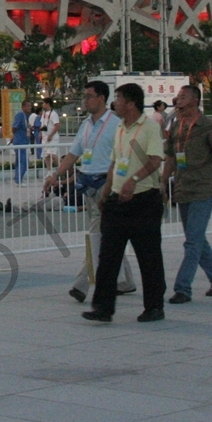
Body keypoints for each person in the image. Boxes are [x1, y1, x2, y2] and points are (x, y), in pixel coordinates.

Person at [82, 82, 167, 324]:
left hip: (144, 201)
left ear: (130, 103)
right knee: (108, 257)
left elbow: (155, 159)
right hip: (116, 202)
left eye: (118, 98)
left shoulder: (149, 127)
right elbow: (115, 161)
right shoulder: (120, 127)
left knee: (148, 257)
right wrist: (107, 191)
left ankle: (154, 306)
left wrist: (134, 180)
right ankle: (103, 307)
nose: (114, 103)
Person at [44, 79, 134, 303]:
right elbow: (74, 155)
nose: (85, 100)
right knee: (109, 234)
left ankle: (81, 284)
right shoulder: (85, 126)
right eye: (83, 96)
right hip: (88, 185)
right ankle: (125, 281)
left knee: (97, 234)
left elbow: (126, 155)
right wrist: (55, 176)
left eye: (88, 96)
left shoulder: (116, 124)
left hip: (108, 184)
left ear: (102, 98)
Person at [164, 83, 212, 303]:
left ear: (195, 100)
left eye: (183, 97)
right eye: (177, 97)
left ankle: (183, 288)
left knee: (192, 242)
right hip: (183, 187)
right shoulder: (176, 126)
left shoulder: (208, 126)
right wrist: (162, 183)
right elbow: (171, 158)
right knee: (196, 239)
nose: (178, 101)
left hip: (203, 189)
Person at [11, 97, 35, 184]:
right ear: (23, 107)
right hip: (20, 141)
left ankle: (18, 178)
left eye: (30, 106)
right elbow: (14, 127)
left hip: (24, 141)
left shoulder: (28, 116)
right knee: (24, 161)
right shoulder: (20, 115)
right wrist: (15, 135)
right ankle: (18, 180)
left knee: (19, 161)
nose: (30, 108)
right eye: (28, 106)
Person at [40, 97, 61, 167]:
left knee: (53, 155)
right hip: (45, 137)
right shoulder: (44, 113)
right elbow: (42, 124)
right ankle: (49, 173)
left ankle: (61, 170)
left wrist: (51, 135)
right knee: (46, 156)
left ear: (47, 104)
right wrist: (40, 133)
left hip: (52, 138)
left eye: (43, 103)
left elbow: (57, 126)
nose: (42, 105)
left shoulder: (53, 114)